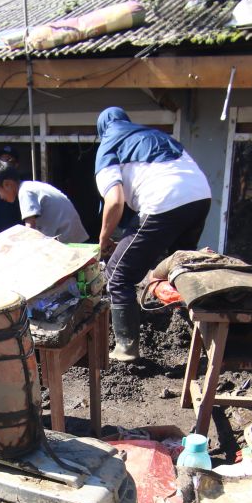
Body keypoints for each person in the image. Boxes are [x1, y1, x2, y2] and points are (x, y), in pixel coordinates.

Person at [95, 107, 212, 362]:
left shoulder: (108, 144)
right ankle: (199, 339)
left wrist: (103, 241)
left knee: (117, 274)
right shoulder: (155, 136)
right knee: (181, 269)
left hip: (164, 199)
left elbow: (114, 201)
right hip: (200, 196)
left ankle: (126, 348)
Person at [0, 160, 88, 243]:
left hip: (67, 240)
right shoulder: (30, 186)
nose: (0, 197)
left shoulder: (25, 192)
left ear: (7, 184)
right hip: (70, 236)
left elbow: (30, 228)